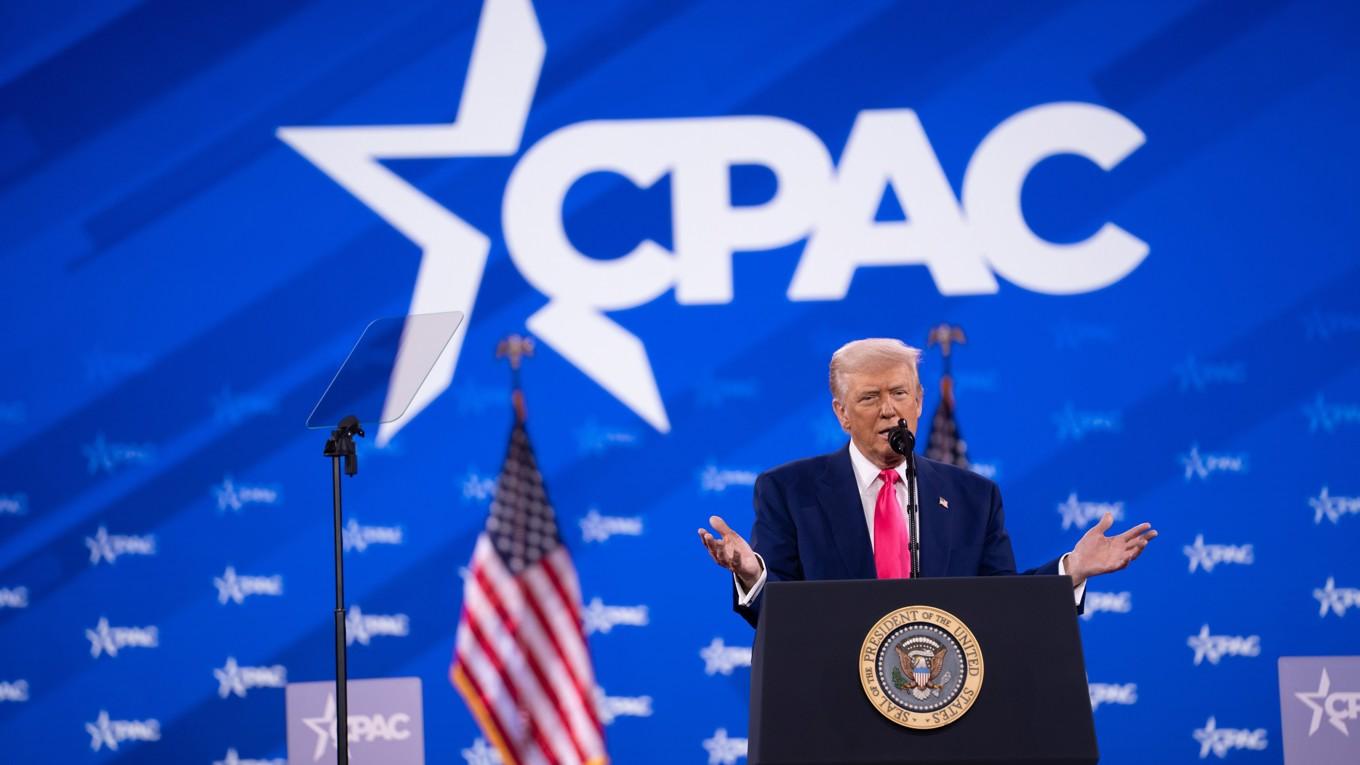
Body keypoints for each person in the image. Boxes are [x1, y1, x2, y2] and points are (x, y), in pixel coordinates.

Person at [698, 338, 1157, 627]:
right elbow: (780, 617)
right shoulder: (789, 491)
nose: (888, 410)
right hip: (832, 711)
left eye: (899, 393)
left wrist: (1071, 570)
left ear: (919, 401)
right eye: (869, 398)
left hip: (946, 714)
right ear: (841, 413)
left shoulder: (974, 497)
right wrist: (752, 573)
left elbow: (1001, 604)